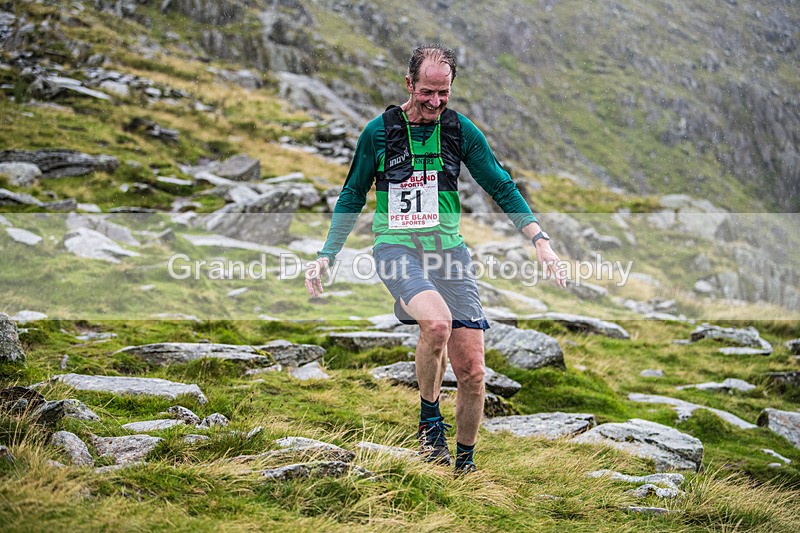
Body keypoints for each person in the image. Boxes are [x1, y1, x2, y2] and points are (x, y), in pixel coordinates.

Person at [305, 44, 566, 475]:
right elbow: (353, 193)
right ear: (409, 84)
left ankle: (463, 465)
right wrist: (327, 254)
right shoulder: (378, 132)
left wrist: (539, 238)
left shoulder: (460, 131)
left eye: (443, 93)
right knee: (437, 323)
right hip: (396, 248)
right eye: (426, 92)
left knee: (474, 372)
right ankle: (430, 424)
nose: (434, 102)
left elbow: (500, 186)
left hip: (448, 252)